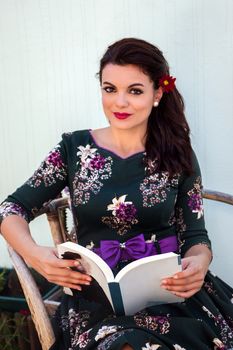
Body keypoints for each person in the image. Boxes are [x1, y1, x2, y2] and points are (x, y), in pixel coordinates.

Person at [0, 37, 232, 350]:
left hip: (170, 298)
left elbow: (196, 237)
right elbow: (10, 209)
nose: (119, 103)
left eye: (134, 91)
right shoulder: (74, 149)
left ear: (157, 94)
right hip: (95, 302)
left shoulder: (178, 155)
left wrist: (199, 264)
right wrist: (36, 255)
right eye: (110, 89)